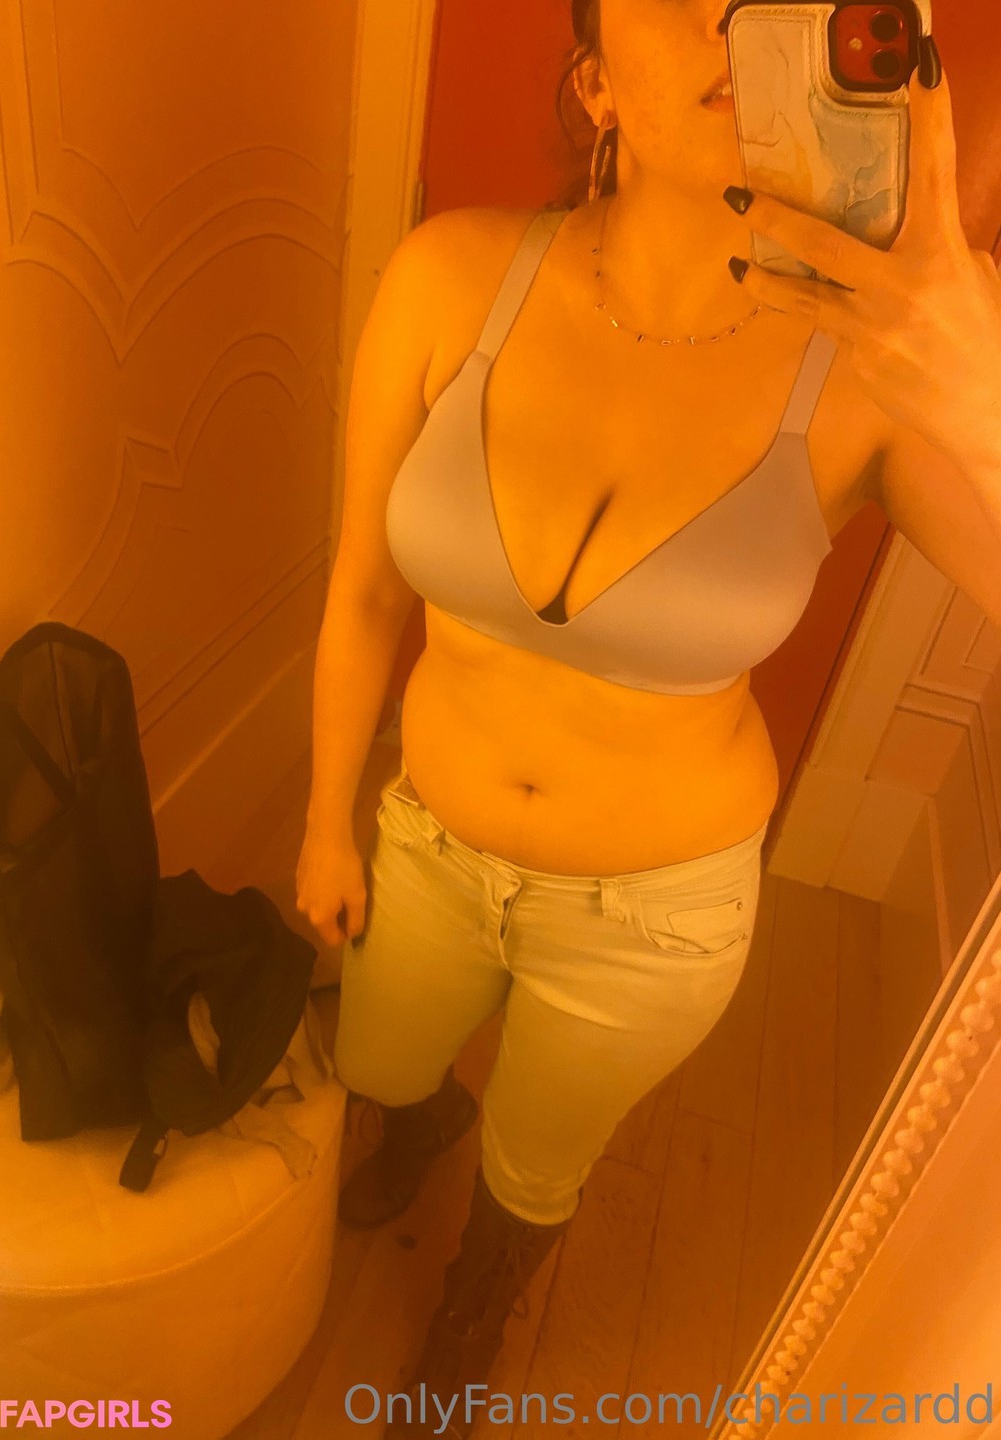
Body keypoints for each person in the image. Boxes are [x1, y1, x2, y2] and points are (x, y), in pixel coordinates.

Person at [295, 0, 914, 1434]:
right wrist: (327, 820)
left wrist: (956, 338)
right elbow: (364, 592)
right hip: (430, 842)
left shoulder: (867, 372)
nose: (731, 23)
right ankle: (425, 1119)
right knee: (380, 1063)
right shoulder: (448, 276)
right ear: (597, 86)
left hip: (655, 915)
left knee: (541, 1161)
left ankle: (480, 1296)